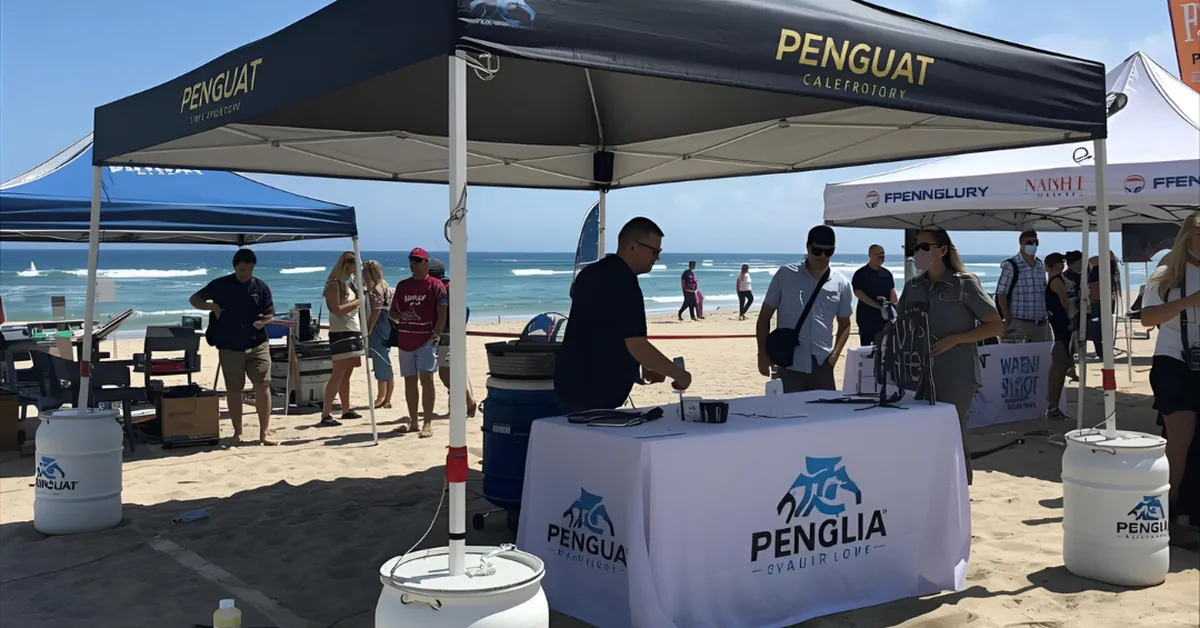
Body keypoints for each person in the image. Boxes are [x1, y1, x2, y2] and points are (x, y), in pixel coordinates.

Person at [898, 226, 1004, 484]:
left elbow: (995, 325)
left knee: (952, 435)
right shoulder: (913, 286)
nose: (919, 253)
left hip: (956, 373)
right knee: (922, 436)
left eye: (925, 247)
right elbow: (900, 324)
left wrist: (955, 339)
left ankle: (958, 492)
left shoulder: (963, 284)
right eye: (916, 248)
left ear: (942, 249)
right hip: (918, 374)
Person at [555, 217, 691, 413]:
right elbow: (637, 344)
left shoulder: (590, 274)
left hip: (569, 385)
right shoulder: (625, 284)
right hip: (596, 394)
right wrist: (679, 375)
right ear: (633, 247)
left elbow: (599, 332)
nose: (657, 258)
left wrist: (639, 367)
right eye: (654, 251)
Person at [1141, 211, 1200, 515]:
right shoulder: (1167, 277)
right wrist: (1190, 301)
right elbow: (1147, 318)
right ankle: (1170, 508)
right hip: (1174, 360)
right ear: (1187, 238)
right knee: (1180, 440)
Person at [189, 248, 276, 444]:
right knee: (234, 389)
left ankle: (264, 433)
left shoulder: (261, 287)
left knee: (263, 385)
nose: (246, 274)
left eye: (250, 270)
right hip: (230, 346)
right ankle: (237, 432)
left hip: (258, 343)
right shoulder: (221, 285)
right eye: (243, 270)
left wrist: (265, 321)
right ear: (235, 267)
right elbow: (195, 299)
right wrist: (213, 307)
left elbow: (270, 312)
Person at [756, 225, 853, 393]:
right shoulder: (785, 275)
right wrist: (762, 355)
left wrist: (835, 355)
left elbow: (845, 324)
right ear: (808, 247)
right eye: (817, 251)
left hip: (823, 365)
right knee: (787, 415)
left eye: (828, 252)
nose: (822, 256)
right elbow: (764, 318)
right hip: (789, 363)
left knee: (824, 418)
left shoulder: (841, 283)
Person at [390, 247, 446, 438]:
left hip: (426, 339)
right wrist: (401, 316)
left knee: (427, 380)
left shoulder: (436, 285)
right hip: (405, 339)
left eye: (417, 261)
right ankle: (414, 421)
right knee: (409, 381)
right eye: (411, 261)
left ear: (426, 263)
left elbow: (442, 312)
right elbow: (392, 313)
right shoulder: (402, 285)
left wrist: (437, 334)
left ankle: (427, 423)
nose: (413, 264)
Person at [319, 252, 365, 427]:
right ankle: (326, 413)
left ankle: (346, 409)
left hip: (351, 329)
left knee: (347, 372)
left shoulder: (348, 284)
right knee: (338, 373)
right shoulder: (335, 284)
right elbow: (336, 309)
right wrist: (357, 302)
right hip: (341, 332)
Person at [428, 258, 477, 418]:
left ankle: (468, 400)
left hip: (447, 334)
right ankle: (458, 404)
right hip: (451, 333)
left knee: (445, 373)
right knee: (451, 370)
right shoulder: (450, 286)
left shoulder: (442, 288)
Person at [995, 230, 1050, 342]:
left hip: (1041, 324)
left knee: (1044, 357)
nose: (1033, 245)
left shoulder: (1040, 265)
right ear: (1021, 245)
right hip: (1019, 323)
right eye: (1029, 242)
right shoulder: (1011, 265)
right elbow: (1001, 293)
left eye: (1035, 242)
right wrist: (1007, 317)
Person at [1044, 253, 1073, 421]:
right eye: (1059, 264)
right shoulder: (1056, 281)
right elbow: (1066, 304)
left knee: (1059, 368)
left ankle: (1053, 405)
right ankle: (1053, 406)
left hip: (1060, 328)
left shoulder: (1055, 281)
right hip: (1061, 329)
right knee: (1058, 369)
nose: (1061, 266)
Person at [363, 260, 395, 409]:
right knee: (383, 359)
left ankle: (381, 396)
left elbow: (376, 310)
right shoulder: (385, 285)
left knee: (380, 360)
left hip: (379, 326)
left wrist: (368, 329)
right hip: (386, 325)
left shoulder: (376, 289)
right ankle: (386, 397)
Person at [852, 244, 897, 346]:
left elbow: (892, 292)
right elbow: (858, 293)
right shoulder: (860, 274)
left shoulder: (887, 274)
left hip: (884, 318)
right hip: (866, 317)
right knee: (866, 348)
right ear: (870, 255)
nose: (882, 258)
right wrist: (877, 306)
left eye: (883, 255)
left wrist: (893, 306)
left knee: (883, 346)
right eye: (879, 255)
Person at [1086, 252, 1121, 359]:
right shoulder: (1104, 272)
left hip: (1100, 301)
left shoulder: (1100, 270)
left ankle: (1101, 351)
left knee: (1099, 326)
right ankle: (1102, 351)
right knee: (1100, 326)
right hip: (1101, 301)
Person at [1063, 250, 1084, 380]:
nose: (1081, 265)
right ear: (1071, 263)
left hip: (1080, 314)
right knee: (1069, 343)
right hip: (1069, 315)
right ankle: (1070, 368)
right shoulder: (1064, 278)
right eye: (1079, 262)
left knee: (1078, 344)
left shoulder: (1084, 276)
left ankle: (1072, 367)